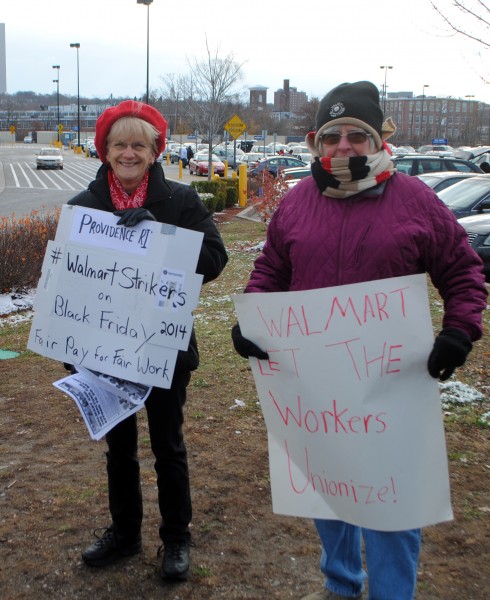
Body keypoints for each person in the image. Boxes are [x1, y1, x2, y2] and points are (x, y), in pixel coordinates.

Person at [231, 81, 487, 600]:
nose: (343, 146)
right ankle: (341, 584)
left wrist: (459, 331)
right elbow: (272, 269)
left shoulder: (415, 199)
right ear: (316, 142)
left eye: (355, 135)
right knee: (328, 490)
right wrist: (251, 321)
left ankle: (393, 593)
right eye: (332, 136)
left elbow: (463, 270)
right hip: (318, 386)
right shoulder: (299, 201)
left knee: (394, 504)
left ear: (375, 141)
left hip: (392, 382)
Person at [69, 100, 228, 581]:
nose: (130, 153)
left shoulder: (180, 201)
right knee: (119, 448)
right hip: (103, 349)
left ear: (155, 150)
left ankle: (176, 537)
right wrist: (68, 347)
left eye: (140, 144)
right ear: (105, 151)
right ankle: (125, 533)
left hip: (162, 346)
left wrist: (160, 237)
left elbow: (216, 261)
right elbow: (67, 282)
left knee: (168, 445)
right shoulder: (83, 208)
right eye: (120, 144)